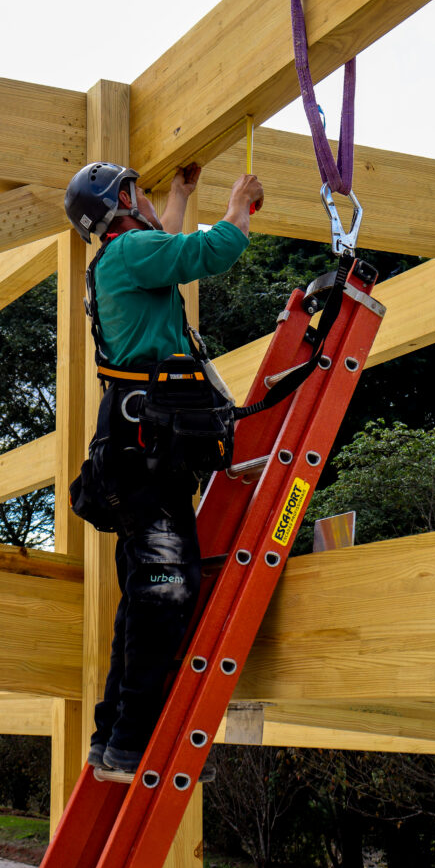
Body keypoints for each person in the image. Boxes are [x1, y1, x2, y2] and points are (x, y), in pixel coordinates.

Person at [64, 160, 264, 774]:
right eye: (140, 191)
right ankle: (133, 743)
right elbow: (205, 251)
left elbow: (167, 241)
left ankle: (113, 740)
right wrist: (238, 209)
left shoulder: (121, 260)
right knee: (168, 591)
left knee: (144, 596)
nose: (148, 198)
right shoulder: (131, 255)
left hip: (133, 454)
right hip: (147, 458)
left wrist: (180, 193)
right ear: (121, 201)